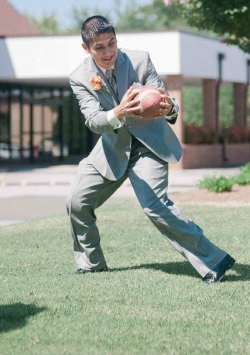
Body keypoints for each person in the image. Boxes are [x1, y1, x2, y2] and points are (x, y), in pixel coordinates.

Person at [66, 15, 234, 283]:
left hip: (148, 146)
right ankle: (91, 263)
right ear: (86, 48)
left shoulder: (140, 60)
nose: (108, 52)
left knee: (154, 205)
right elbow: (93, 121)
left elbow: (164, 99)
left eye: (112, 43)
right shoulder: (80, 78)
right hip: (111, 149)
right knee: (76, 201)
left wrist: (169, 108)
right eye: (100, 47)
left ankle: (214, 261)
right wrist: (117, 113)